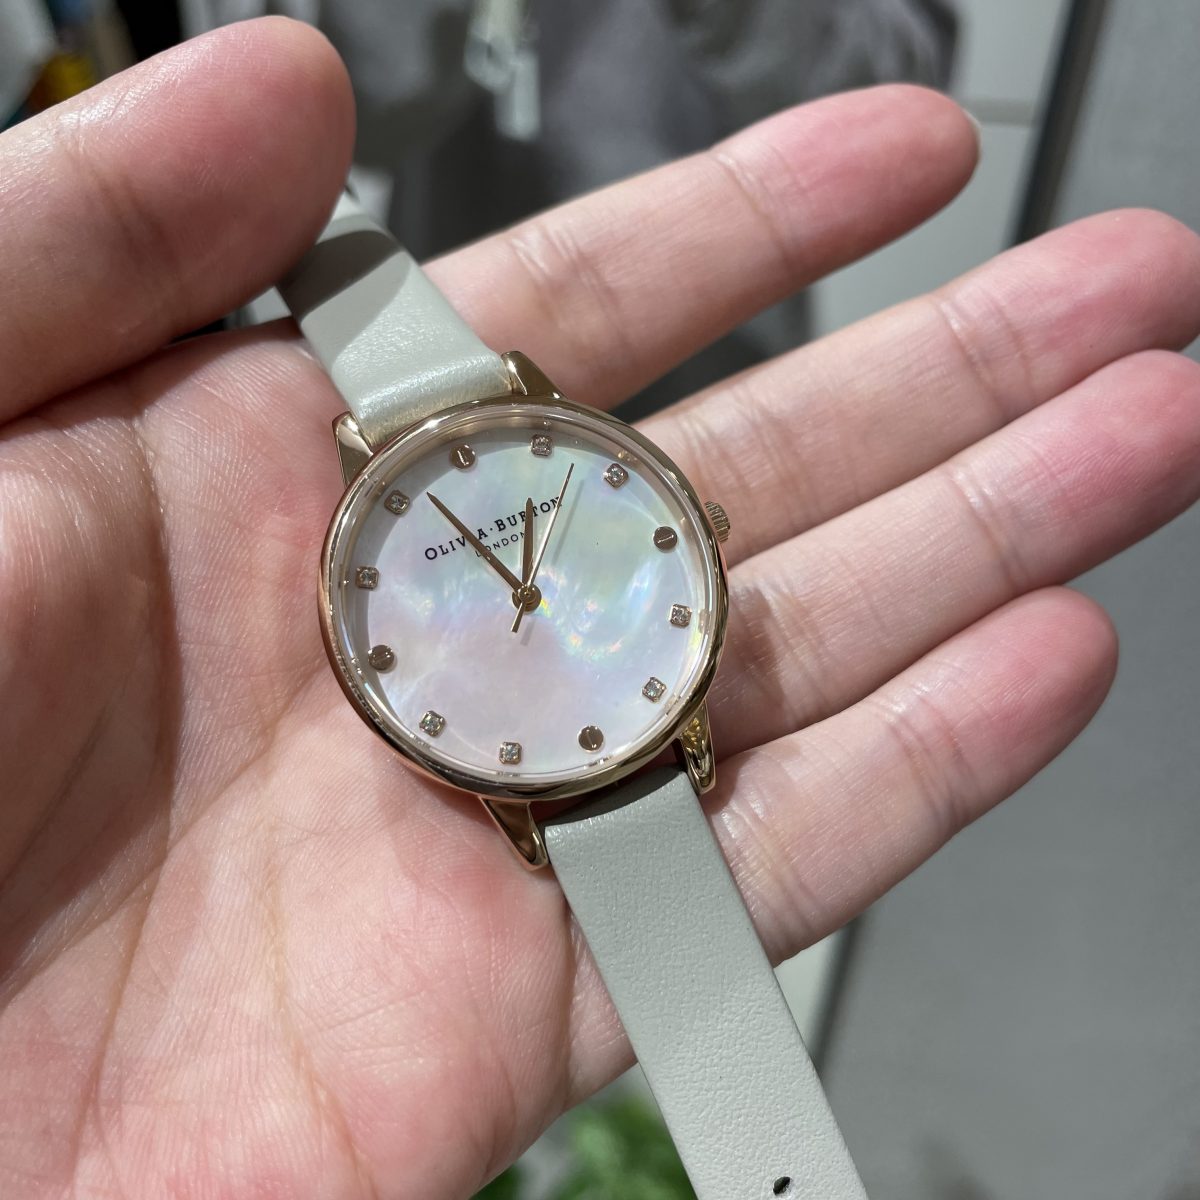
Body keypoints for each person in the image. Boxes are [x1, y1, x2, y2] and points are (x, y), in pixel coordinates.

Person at [1, 17, 1198, 1199]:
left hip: (649, 514)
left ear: (700, 532)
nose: (523, 590)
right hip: (528, 606)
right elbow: (378, 92)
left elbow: (888, 48)